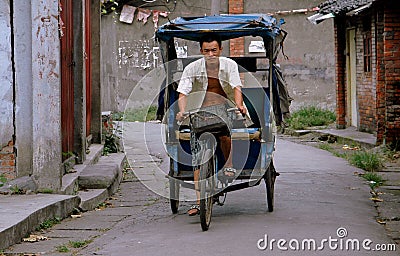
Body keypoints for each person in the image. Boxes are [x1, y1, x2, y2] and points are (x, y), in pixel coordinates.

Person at [175, 33, 247, 216]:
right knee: (198, 158)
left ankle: (229, 165)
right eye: (206, 51)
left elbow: (237, 87)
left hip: (224, 108)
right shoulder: (193, 68)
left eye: (214, 50)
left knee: (225, 132)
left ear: (220, 50)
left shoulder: (229, 66)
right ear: (201, 51)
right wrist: (182, 110)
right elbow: (183, 91)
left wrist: (239, 105)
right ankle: (199, 202)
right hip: (199, 111)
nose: (210, 54)